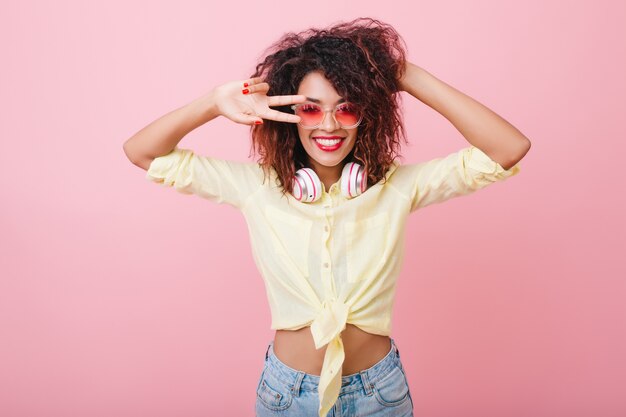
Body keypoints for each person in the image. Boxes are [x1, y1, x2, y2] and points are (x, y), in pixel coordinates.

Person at [123, 17, 530, 417]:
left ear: (368, 115)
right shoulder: (257, 188)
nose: (330, 125)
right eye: (311, 110)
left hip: (379, 392)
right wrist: (212, 102)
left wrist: (404, 74)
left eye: (347, 108)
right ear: (289, 115)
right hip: (287, 393)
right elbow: (142, 151)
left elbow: (507, 148)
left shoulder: (397, 188)